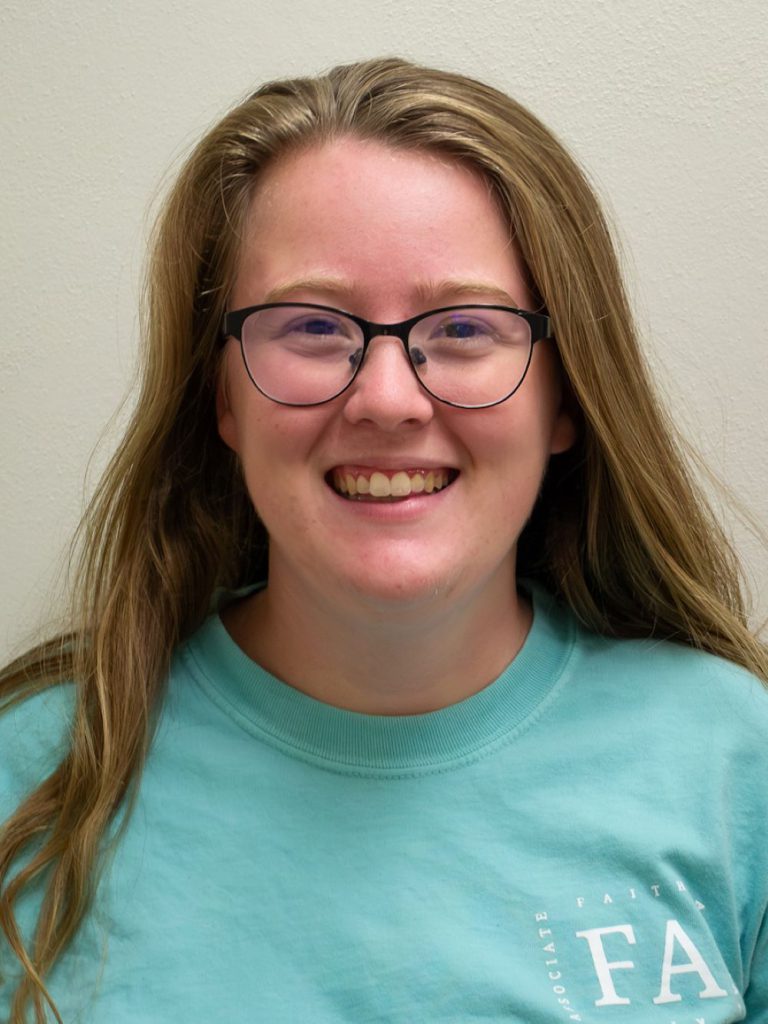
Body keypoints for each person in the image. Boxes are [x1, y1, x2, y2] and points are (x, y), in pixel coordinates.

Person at [1, 57, 767, 1024]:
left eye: (463, 328)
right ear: (221, 394)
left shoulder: (736, 762)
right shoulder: (31, 783)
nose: (389, 401)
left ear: (566, 394)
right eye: (315, 326)